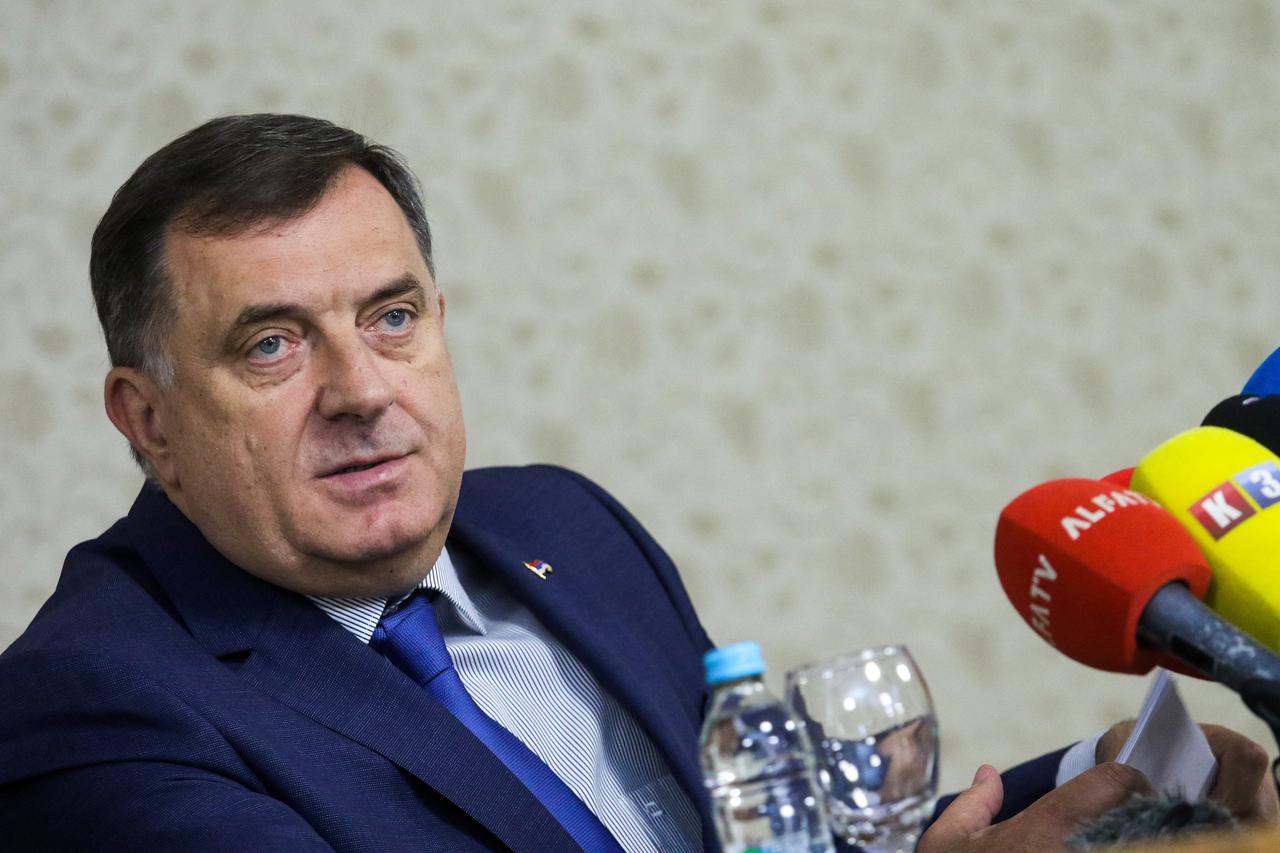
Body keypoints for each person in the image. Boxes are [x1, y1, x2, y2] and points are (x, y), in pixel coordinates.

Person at [0, 114, 1272, 852]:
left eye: (390, 316)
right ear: (148, 421)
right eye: (273, 345)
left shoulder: (563, 524)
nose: (360, 389)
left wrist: (1097, 783)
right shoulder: (91, 707)